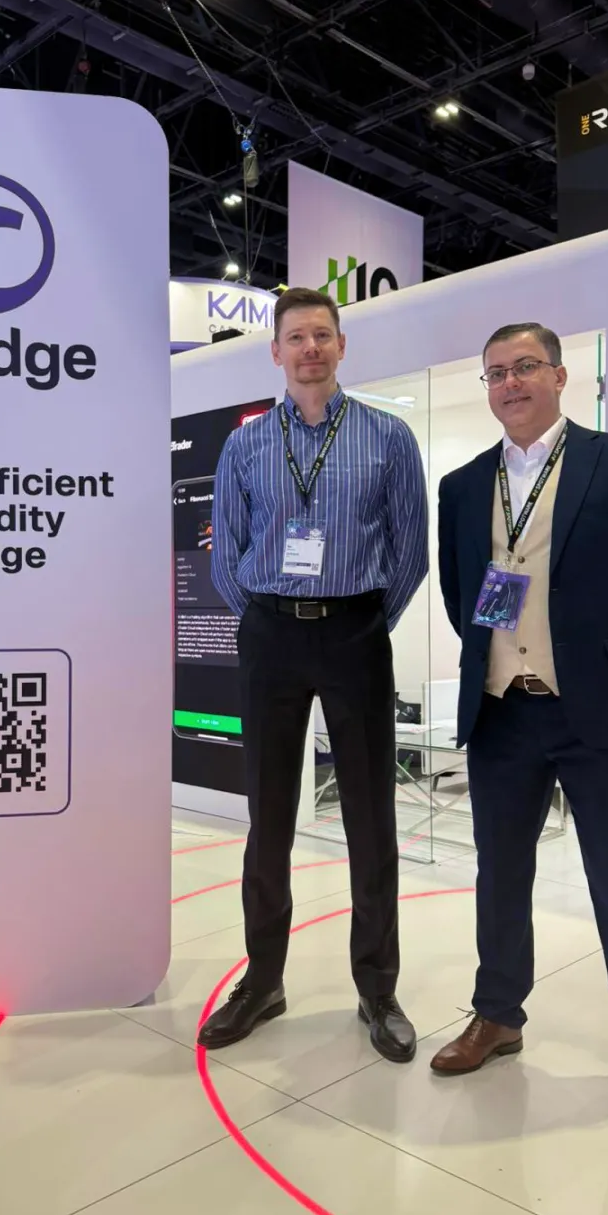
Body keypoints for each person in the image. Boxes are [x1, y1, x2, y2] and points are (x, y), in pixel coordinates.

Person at [432, 322, 608, 1135]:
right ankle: (497, 1016)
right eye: (495, 373)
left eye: (524, 367)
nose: (510, 383)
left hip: (605, 713)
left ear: (558, 375)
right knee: (499, 875)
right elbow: (462, 595)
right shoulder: (462, 484)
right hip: (502, 715)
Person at [201, 287, 428, 1062]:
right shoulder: (246, 446)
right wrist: (268, 617)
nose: (309, 349)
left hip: (356, 630)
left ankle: (378, 988)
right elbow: (227, 553)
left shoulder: (388, 436)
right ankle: (263, 981)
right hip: (270, 633)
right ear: (276, 351)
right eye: (295, 337)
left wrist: (362, 621)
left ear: (341, 345)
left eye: (322, 335)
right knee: (268, 817)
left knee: (371, 815)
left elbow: (410, 550)